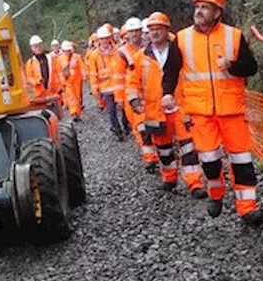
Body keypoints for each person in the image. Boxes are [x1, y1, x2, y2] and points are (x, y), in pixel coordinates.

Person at [177, 0, 263, 226]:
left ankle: (247, 209)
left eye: (204, 7)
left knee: (242, 162)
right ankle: (216, 194)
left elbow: (251, 67)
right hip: (201, 114)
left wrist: (232, 65)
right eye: (197, 7)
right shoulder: (182, 39)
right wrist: (167, 95)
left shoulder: (234, 36)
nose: (199, 11)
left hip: (232, 111)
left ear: (217, 13)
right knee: (210, 161)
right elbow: (171, 72)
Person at [127, 12, 206, 198]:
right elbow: (132, 83)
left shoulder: (180, 51)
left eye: (158, 29)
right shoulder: (140, 58)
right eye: (151, 30)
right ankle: (169, 178)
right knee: (163, 148)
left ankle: (195, 183)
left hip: (181, 107)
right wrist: (134, 101)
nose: (154, 33)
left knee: (188, 147)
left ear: (167, 30)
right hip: (156, 111)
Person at [115, 17, 159, 170]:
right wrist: (119, 99)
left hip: (150, 93)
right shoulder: (122, 53)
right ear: (127, 33)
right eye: (132, 31)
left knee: (153, 125)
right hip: (131, 96)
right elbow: (118, 77)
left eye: (137, 31)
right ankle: (150, 158)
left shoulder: (149, 47)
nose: (135, 34)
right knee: (141, 128)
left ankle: (156, 154)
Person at [86, 26, 124, 139]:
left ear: (110, 38)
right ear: (98, 40)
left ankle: (126, 125)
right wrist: (95, 90)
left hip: (120, 86)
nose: (104, 41)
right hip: (106, 88)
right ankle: (117, 130)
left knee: (125, 109)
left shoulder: (119, 51)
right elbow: (93, 74)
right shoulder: (94, 55)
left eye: (106, 38)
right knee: (111, 110)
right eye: (102, 39)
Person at [53, 40, 85, 119]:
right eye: (65, 51)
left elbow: (82, 66)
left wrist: (84, 76)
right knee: (71, 97)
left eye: (68, 50)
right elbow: (58, 72)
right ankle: (73, 113)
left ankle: (77, 113)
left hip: (76, 81)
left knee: (77, 97)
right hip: (67, 82)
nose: (67, 52)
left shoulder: (76, 57)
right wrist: (62, 82)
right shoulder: (59, 60)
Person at [24, 35, 61, 99]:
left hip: (53, 92)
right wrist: (36, 82)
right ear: (32, 48)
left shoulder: (51, 58)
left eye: (39, 45)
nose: (38, 48)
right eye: (35, 46)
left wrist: (61, 86)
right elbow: (29, 77)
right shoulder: (30, 62)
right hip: (40, 94)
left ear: (42, 45)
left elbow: (59, 72)